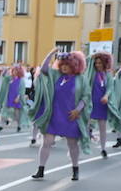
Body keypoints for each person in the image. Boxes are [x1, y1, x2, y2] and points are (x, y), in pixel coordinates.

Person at [29, 48, 92, 182]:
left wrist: (78, 110)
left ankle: (75, 169)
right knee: (47, 142)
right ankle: (40, 170)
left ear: (74, 66)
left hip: (71, 116)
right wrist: (51, 53)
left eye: (67, 65)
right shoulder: (56, 75)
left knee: (72, 144)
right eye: (62, 64)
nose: (64, 67)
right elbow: (44, 69)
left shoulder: (81, 79)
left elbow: (86, 97)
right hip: (54, 115)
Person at [85, 52, 116, 156]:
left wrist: (106, 96)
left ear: (104, 63)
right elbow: (87, 59)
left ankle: (103, 149)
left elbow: (110, 87)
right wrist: (95, 54)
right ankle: (83, 146)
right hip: (91, 103)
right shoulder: (92, 73)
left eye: (100, 63)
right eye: (96, 63)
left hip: (102, 104)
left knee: (102, 127)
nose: (97, 65)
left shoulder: (107, 74)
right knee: (85, 125)